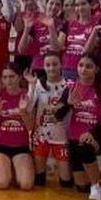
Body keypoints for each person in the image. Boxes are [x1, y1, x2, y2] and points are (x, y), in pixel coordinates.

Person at [56, 54, 101, 200]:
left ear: (96, 69)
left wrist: (92, 133)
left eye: (89, 66)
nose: (83, 70)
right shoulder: (71, 88)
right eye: (81, 65)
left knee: (85, 148)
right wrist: (69, 104)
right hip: (75, 137)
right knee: (82, 186)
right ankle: (98, 170)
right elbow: (58, 116)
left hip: (99, 135)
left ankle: (96, 187)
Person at [0, 63, 36, 191]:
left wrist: (23, 112)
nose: (8, 80)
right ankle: (2, 166)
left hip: (21, 146)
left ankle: (15, 169)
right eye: (5, 77)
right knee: (2, 183)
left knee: (26, 185)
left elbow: (30, 126)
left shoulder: (27, 95)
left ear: (19, 77)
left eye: (11, 76)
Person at [31, 52, 72, 189]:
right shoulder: (38, 84)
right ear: (43, 66)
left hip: (62, 137)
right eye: (48, 65)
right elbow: (29, 107)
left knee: (66, 182)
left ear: (61, 65)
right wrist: (31, 87)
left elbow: (65, 112)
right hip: (41, 136)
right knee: (39, 181)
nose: (51, 68)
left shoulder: (70, 85)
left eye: (55, 64)